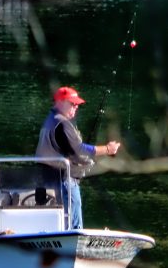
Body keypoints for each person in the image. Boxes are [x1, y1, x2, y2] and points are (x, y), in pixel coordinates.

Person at [35, 86, 120, 229]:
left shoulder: (50, 119)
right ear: (61, 102)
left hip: (48, 177)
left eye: (77, 105)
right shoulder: (62, 123)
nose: (76, 108)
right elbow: (79, 150)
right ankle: (74, 237)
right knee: (75, 224)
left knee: (61, 219)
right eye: (72, 104)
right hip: (64, 179)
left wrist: (86, 161)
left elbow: (69, 150)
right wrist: (107, 149)